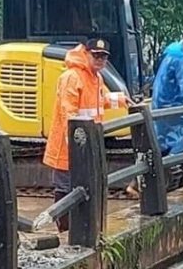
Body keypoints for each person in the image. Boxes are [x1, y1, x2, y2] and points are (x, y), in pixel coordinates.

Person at [43, 38, 131, 232]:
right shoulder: (72, 77)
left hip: (87, 143)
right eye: (96, 55)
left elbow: (98, 101)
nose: (100, 60)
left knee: (84, 186)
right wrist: (75, 143)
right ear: (86, 54)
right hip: (69, 146)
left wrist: (120, 99)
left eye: (103, 57)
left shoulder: (96, 77)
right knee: (65, 188)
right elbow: (69, 112)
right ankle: (65, 230)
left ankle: (81, 228)